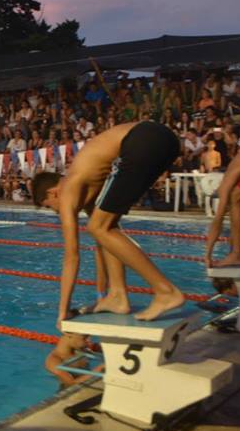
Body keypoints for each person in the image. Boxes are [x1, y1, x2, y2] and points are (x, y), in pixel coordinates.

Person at [31, 122, 184, 324]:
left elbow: (72, 257)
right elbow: (103, 242)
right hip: (164, 139)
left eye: (50, 206)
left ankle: (165, 291)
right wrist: (102, 292)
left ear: (52, 192)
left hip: (142, 139)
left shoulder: (68, 189)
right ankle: (118, 296)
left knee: (98, 227)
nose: (56, 211)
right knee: (104, 228)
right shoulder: (87, 184)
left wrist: (63, 311)